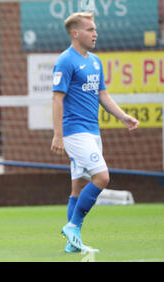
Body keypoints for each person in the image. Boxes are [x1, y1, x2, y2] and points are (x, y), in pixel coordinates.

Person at [50, 12, 139, 253]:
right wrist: (58, 134)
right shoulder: (65, 61)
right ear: (75, 33)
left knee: (78, 187)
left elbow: (102, 95)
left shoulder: (95, 61)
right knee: (102, 177)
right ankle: (73, 226)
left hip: (92, 132)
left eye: (95, 29)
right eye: (90, 29)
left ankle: (72, 243)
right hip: (75, 133)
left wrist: (122, 116)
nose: (95, 33)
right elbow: (57, 99)